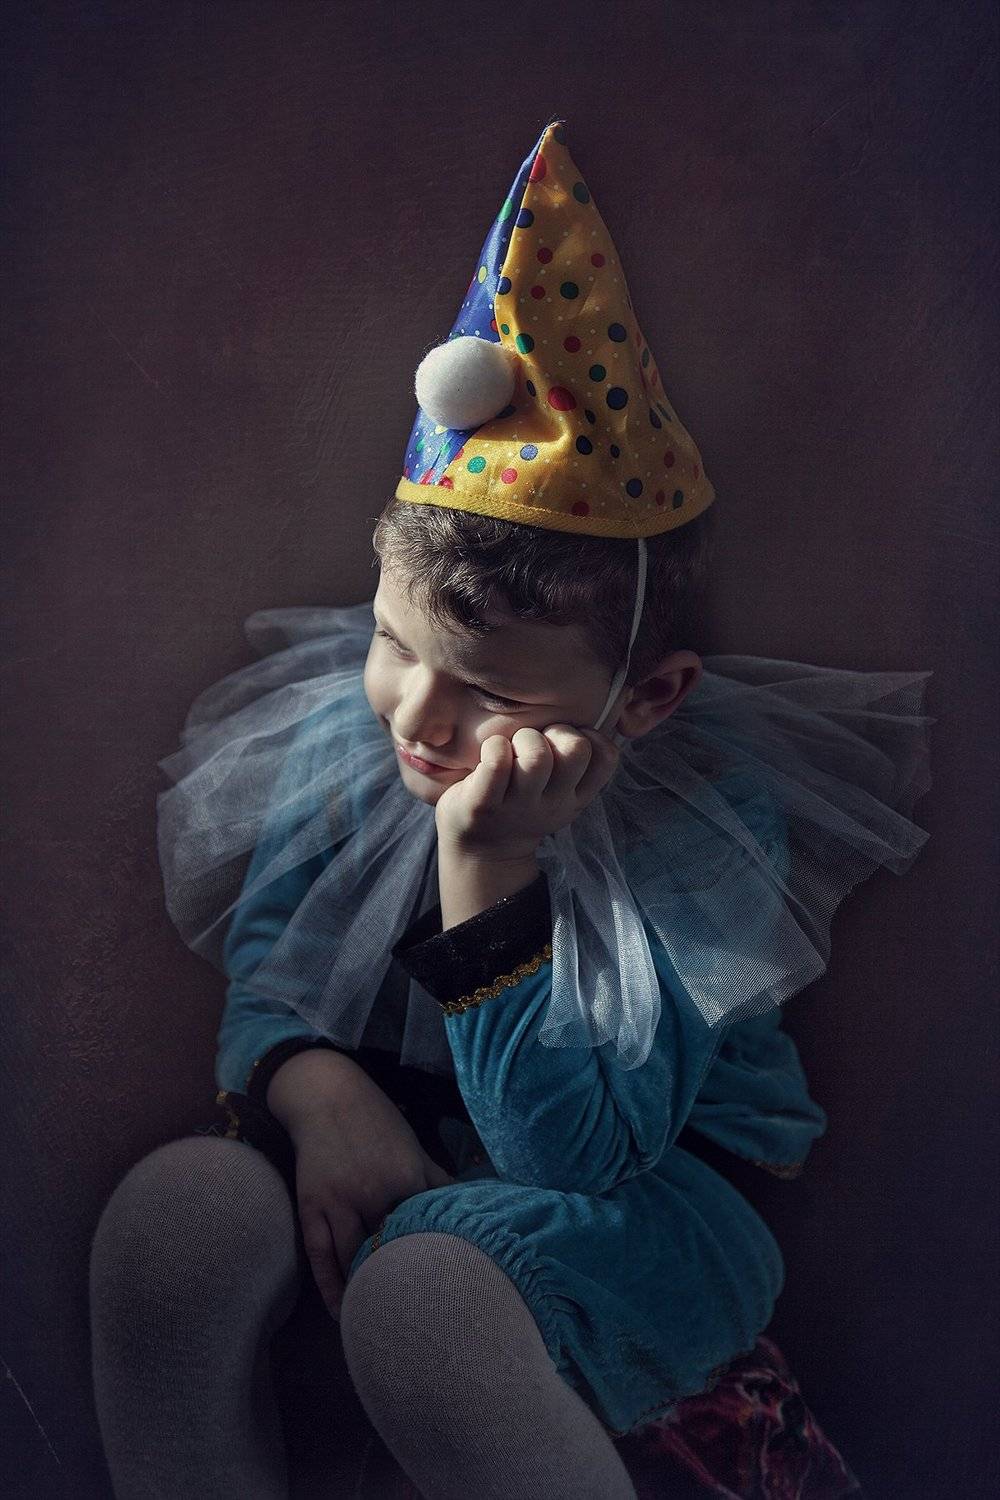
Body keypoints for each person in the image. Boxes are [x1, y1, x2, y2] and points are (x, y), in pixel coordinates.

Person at [89, 118, 930, 1500]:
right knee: (173, 1218)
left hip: (631, 1210)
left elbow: (577, 1156)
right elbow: (272, 972)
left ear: (647, 698)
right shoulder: (351, 742)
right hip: (393, 1124)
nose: (416, 717)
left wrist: (486, 868)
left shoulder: (701, 831)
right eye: (392, 644)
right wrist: (318, 1089)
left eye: (483, 690)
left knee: (423, 1293)